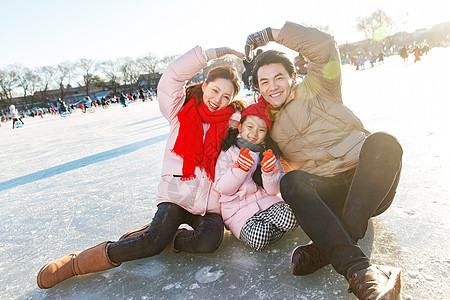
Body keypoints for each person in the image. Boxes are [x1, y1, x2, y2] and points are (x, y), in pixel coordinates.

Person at [36, 46, 245, 289]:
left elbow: (258, 130)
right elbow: (172, 76)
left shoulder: (233, 124)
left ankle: (169, 238)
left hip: (210, 204)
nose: (218, 100)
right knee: (152, 242)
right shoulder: (180, 110)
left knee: (209, 241)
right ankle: (77, 263)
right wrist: (209, 54)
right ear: (205, 84)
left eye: (226, 97)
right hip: (177, 196)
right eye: (215, 90)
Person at [244, 22, 403, 299]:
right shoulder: (268, 126)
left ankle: (328, 246)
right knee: (291, 182)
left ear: (293, 76)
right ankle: (360, 270)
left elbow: (324, 46)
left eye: (279, 77)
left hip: (369, 184)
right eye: (264, 82)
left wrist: (269, 35)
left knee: (384, 141)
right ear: (257, 88)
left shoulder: (320, 87)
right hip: (330, 194)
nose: (273, 86)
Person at [214, 101, 298, 251]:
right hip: (238, 211)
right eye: (250, 127)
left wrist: (268, 172)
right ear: (240, 127)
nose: (254, 134)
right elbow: (223, 189)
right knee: (259, 237)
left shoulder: (268, 153)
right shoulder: (228, 151)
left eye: (261, 130)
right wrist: (239, 170)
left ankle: (270, 228)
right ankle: (269, 230)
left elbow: (274, 190)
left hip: (267, 202)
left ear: (266, 134)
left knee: (292, 217)